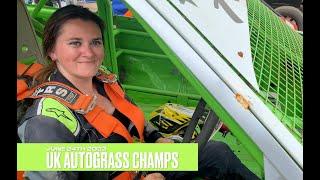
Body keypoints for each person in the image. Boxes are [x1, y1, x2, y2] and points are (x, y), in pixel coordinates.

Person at [17, 5, 259, 180]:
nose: (89, 52)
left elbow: (133, 119)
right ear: (52, 51)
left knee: (218, 153)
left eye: (95, 42)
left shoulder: (104, 80)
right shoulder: (45, 123)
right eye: (75, 43)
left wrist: (156, 139)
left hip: (139, 160)